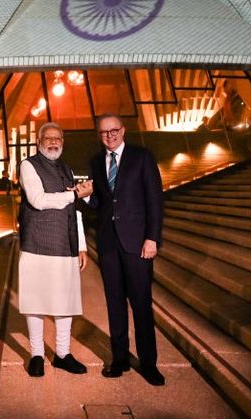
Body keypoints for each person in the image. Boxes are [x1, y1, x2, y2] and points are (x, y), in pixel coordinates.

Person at [85, 113, 165, 386]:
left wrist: (152, 238)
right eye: (104, 132)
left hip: (137, 245)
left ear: (123, 130)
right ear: (99, 135)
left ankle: (149, 363)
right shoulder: (96, 162)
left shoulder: (142, 157)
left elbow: (155, 200)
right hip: (108, 245)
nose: (110, 135)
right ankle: (120, 359)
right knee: (115, 305)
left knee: (141, 304)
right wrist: (86, 197)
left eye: (114, 130)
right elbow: (101, 203)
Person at [18, 121, 91, 377]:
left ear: (62, 142)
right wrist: (75, 195)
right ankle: (36, 354)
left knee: (65, 303)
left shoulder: (66, 168)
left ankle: (62, 354)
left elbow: (75, 212)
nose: (53, 141)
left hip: (66, 245)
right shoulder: (28, 165)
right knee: (35, 302)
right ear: (38, 142)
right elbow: (37, 200)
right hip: (36, 243)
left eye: (57, 138)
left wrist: (81, 245)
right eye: (47, 138)